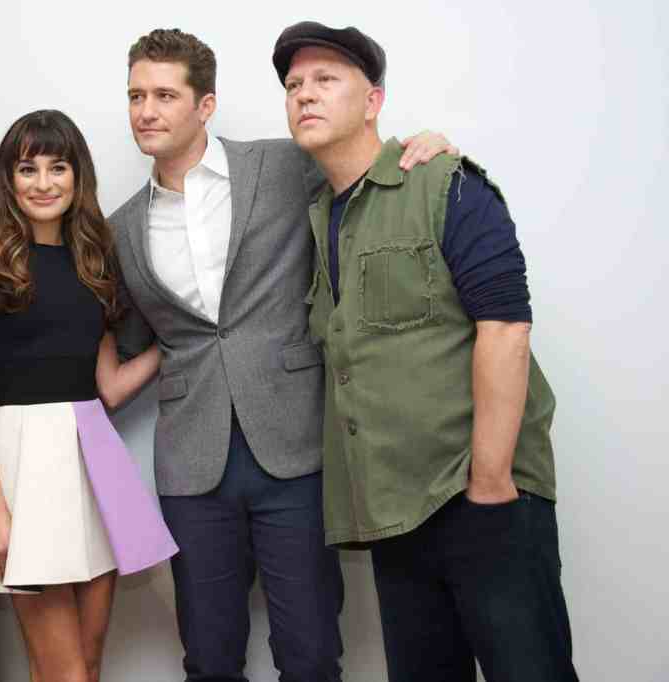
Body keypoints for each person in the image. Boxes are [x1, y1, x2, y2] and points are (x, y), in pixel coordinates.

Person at [109, 28, 455, 682]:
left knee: (312, 651)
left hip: (296, 449)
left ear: (204, 105)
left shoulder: (282, 166)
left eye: (163, 95)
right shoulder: (120, 228)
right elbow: (131, 339)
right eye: (134, 96)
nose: (145, 111)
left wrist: (426, 146)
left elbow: (365, 172)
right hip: (191, 465)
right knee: (208, 658)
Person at [274, 21, 578, 682]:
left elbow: (506, 328)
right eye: (294, 84)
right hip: (394, 511)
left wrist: (491, 483)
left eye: (326, 79)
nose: (304, 94)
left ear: (374, 100)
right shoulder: (319, 217)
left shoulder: (445, 183)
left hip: (483, 496)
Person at [0, 109, 177, 682]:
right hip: (21, 469)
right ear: (8, 179)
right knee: (64, 673)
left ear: (78, 176)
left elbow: (110, 387)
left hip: (94, 465)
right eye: (28, 168)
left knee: (85, 670)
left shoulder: (96, 264)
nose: (44, 183)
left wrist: (180, 343)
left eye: (58, 167)